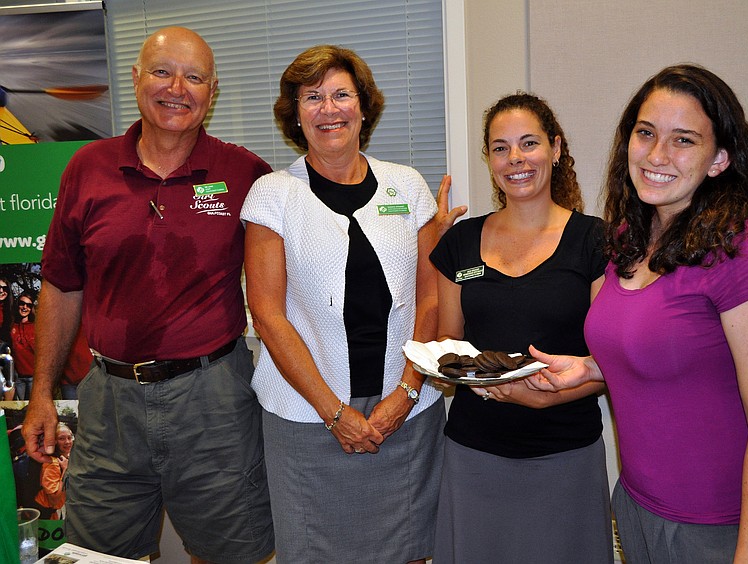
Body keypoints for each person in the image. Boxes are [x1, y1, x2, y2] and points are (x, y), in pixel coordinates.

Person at [527, 64, 748, 563]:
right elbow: (676, 357)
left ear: (719, 159)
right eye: (646, 133)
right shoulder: (628, 239)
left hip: (730, 531)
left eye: (683, 140)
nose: (657, 155)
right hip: (643, 511)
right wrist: (589, 368)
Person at [22, 27, 275, 563]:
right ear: (136, 79)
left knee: (230, 555)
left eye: (195, 76)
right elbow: (62, 286)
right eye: (162, 71)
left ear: (212, 91)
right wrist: (41, 392)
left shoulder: (246, 174)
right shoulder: (87, 169)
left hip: (215, 403)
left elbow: (301, 267)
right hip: (109, 405)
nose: (177, 88)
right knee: (96, 557)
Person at [241, 44, 462, 564]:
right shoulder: (273, 194)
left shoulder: (407, 186)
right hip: (306, 419)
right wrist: (333, 412)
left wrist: (406, 393)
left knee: (410, 550)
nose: (329, 108)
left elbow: (428, 300)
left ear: (364, 106)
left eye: (342, 94)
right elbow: (268, 317)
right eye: (312, 97)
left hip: (405, 416)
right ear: (294, 114)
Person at [428, 93, 612, 563]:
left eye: (528, 144)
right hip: (476, 454)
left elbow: (612, 361)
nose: (515, 159)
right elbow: (445, 349)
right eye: (500, 148)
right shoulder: (461, 243)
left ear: (555, 148)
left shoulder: (597, 242)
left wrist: (543, 396)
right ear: (489, 160)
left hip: (565, 454)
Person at [34, 423, 74, 520]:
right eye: (62, 438)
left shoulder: (67, 459)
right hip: (48, 517)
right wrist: (66, 470)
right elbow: (54, 500)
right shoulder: (52, 464)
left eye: (69, 437)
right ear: (54, 441)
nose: (67, 442)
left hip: (60, 512)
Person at [10, 290, 37, 400]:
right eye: (22, 304)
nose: (25, 307)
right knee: (19, 408)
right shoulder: (11, 326)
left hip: (33, 376)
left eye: (28, 305)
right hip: (18, 377)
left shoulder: (36, 327)